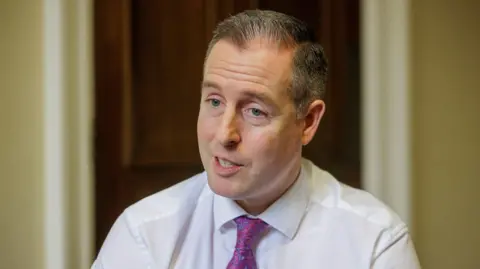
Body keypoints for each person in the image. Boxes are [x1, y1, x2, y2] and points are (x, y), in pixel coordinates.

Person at [91, 10, 420, 269]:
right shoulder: (145, 233)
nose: (224, 135)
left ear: (307, 121)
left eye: (255, 112)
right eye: (215, 102)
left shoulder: (374, 242)